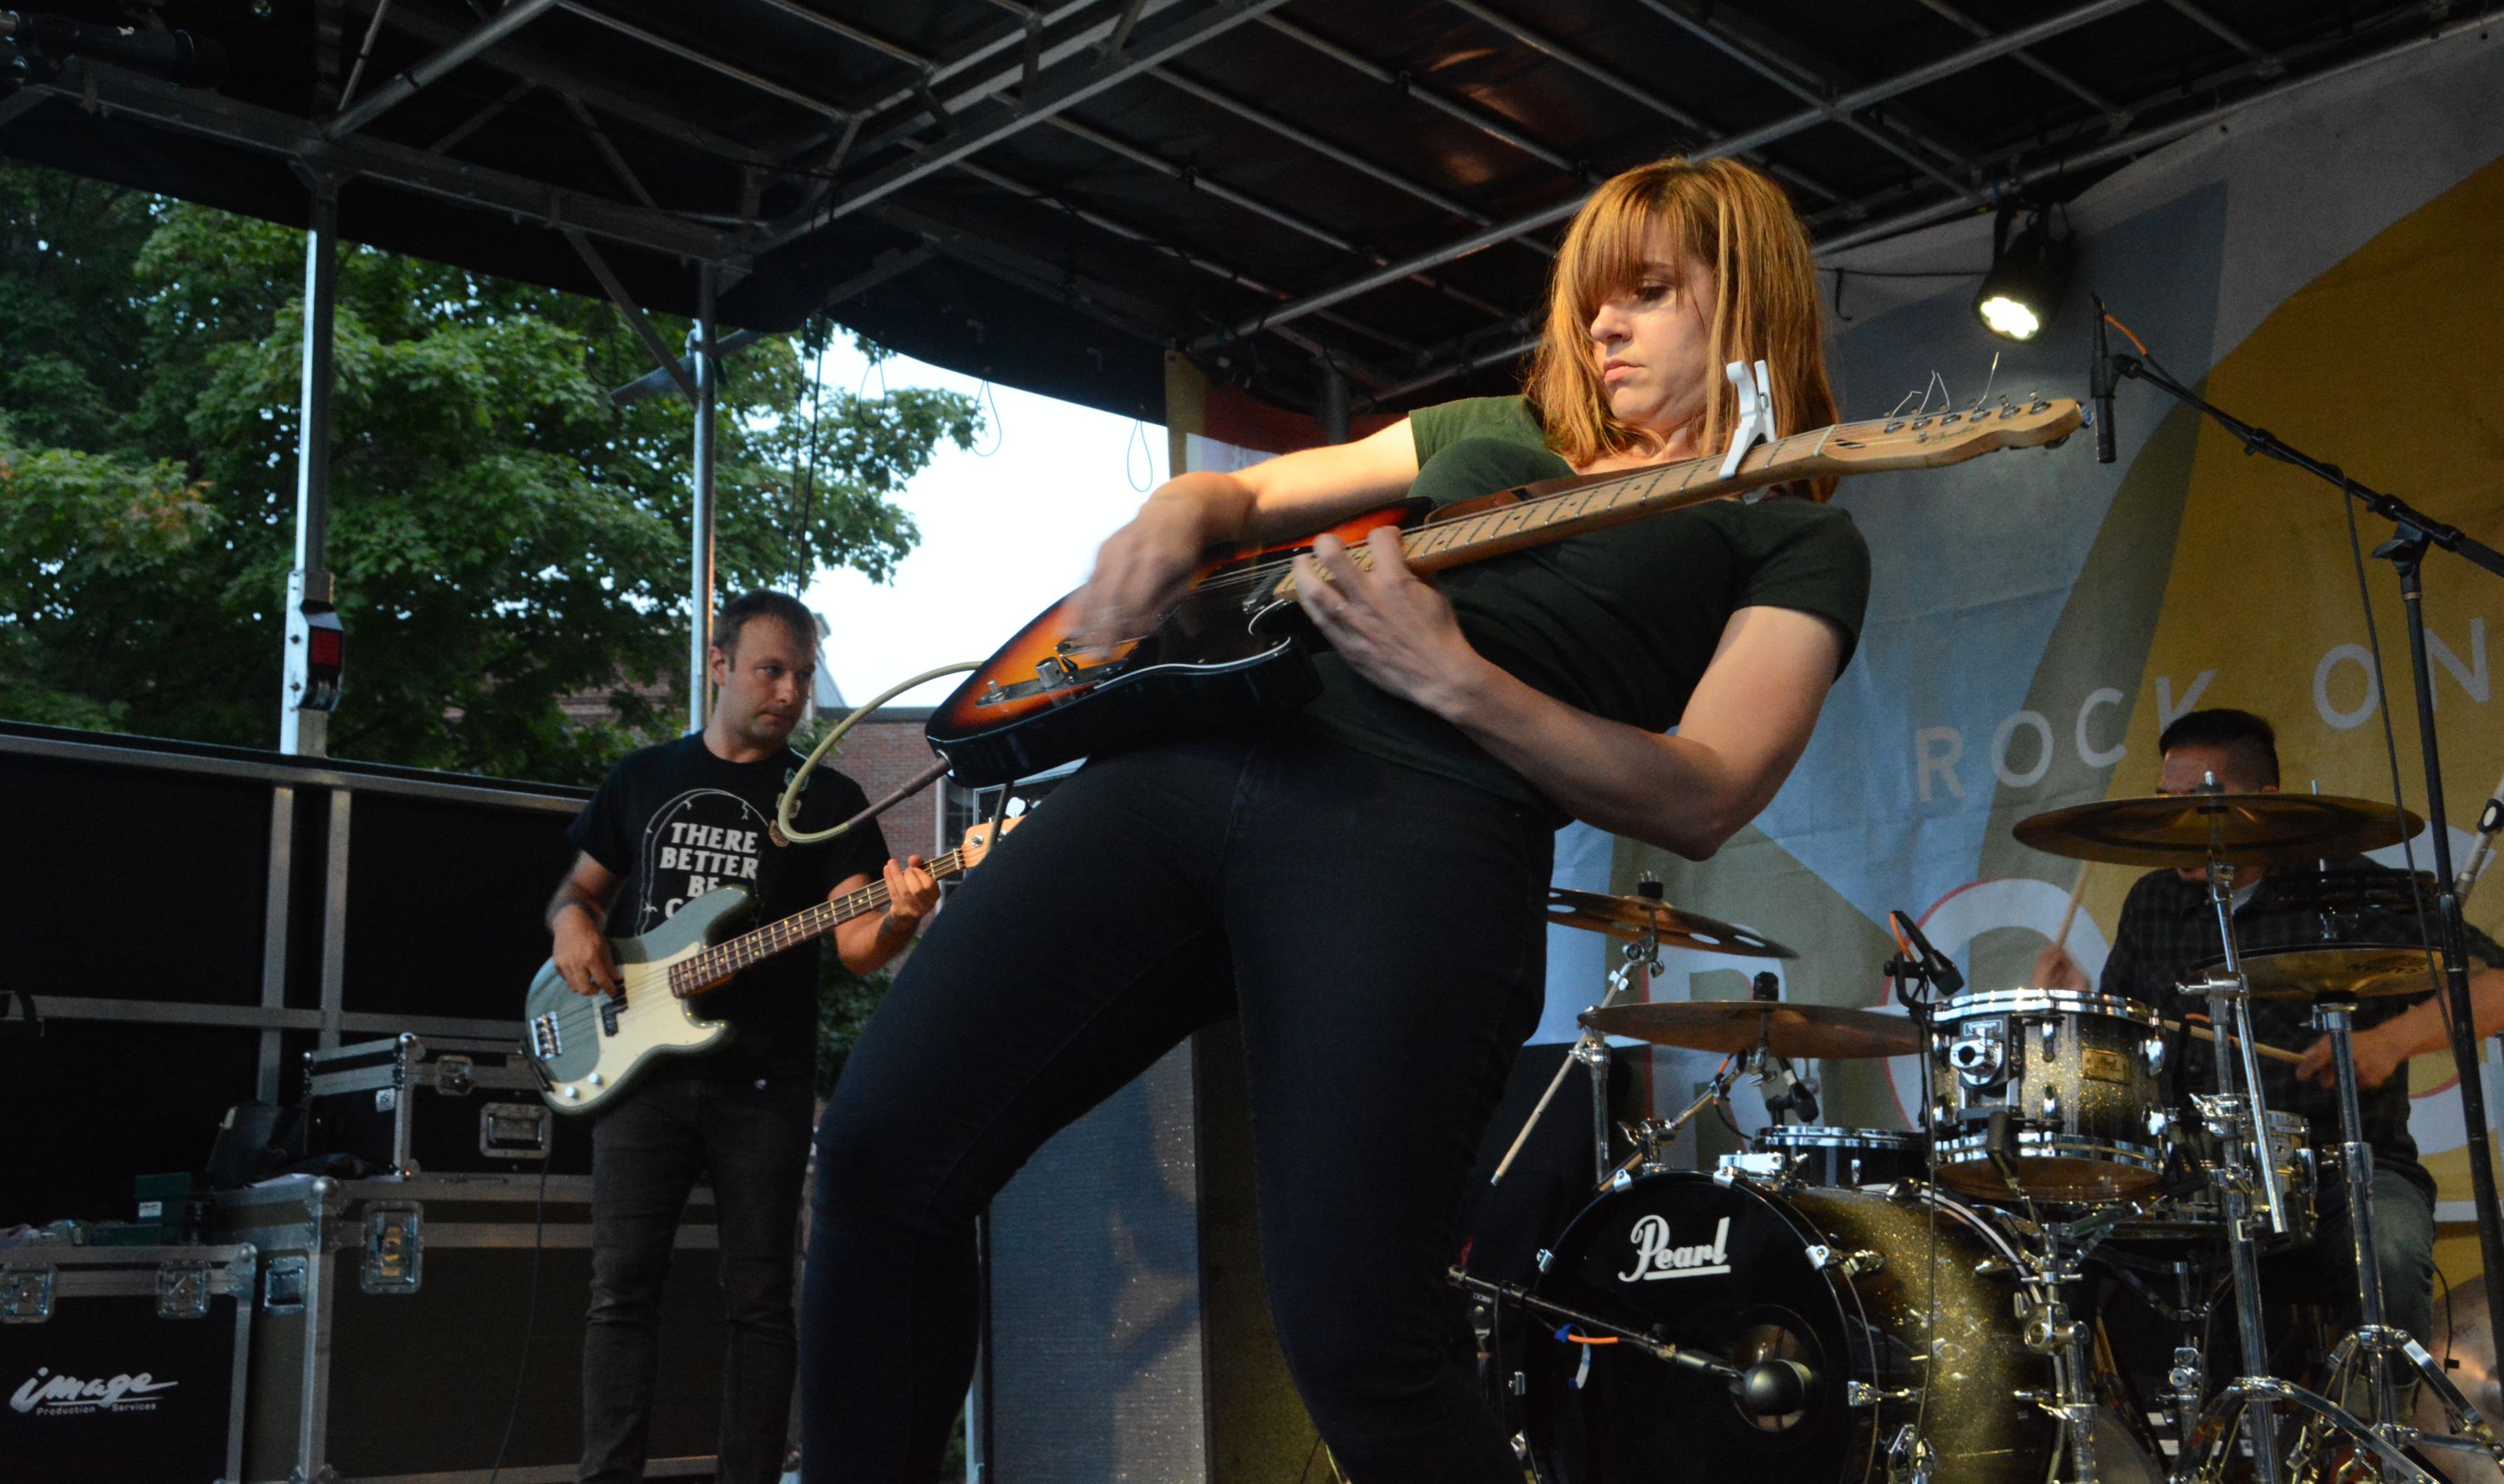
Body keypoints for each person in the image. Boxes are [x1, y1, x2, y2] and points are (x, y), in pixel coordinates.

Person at [798, 156, 1873, 1481]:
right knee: (879, 1156)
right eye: (1594, 297)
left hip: (1420, 838)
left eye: (1648, 292)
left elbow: (1706, 788)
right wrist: (1171, 516)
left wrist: (1454, 679)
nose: (1602, 325)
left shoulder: (1790, 533)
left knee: (1362, 1344)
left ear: (1749, 300)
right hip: (1191, 763)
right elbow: (1246, 497)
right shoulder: (1487, 427)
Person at [548, 589, 941, 1484]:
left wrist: (901, 919)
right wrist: (573, 924)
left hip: (760, 1082)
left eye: (802, 675)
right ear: (719, 664)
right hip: (637, 1071)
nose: (790, 690)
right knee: (620, 1296)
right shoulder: (644, 778)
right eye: (771, 669)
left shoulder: (829, 802)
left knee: (762, 1303)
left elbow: (854, 943)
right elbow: (577, 892)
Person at [2032, 707, 2504, 1351]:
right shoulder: (2155, 903)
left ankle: (2384, 1440)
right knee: (2060, 1248)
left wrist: (2391, 1041)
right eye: (2167, 803)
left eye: (2202, 804)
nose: (2177, 825)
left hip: (2341, 1167)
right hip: (2191, 1173)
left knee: (2387, 1248)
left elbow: (2498, 985)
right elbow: (2128, 1062)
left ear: (2265, 803)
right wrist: (2083, 1012)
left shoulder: (2353, 892)